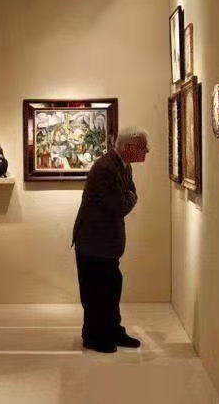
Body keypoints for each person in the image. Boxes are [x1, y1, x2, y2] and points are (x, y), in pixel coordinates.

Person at [72, 127, 150, 353]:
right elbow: (121, 205)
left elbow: (127, 195)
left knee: (111, 288)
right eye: (143, 146)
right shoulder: (106, 168)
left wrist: (129, 195)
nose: (147, 150)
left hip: (104, 243)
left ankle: (112, 331)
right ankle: (94, 336)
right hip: (93, 242)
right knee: (95, 292)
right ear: (128, 147)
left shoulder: (123, 166)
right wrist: (131, 196)